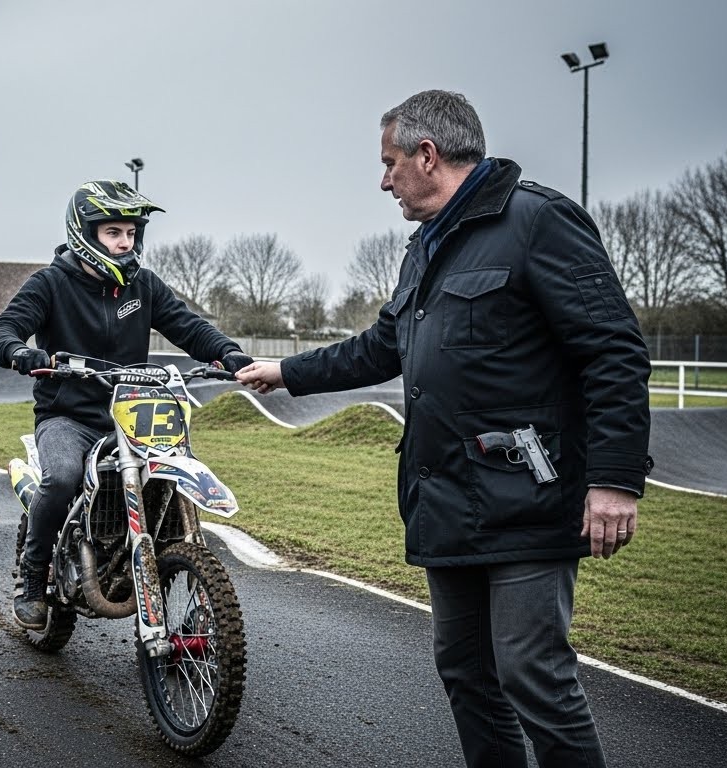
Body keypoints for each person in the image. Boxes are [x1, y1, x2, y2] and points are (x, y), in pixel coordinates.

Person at [235, 90, 652, 768]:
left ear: (426, 155)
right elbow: (378, 348)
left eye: (389, 163)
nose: (383, 180)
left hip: (527, 494)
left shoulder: (538, 221)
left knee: (531, 674)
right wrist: (286, 372)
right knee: (464, 673)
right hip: (446, 497)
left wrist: (612, 480)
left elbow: (612, 351)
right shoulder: (423, 247)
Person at [0, 179, 252, 630]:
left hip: (132, 416)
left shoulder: (143, 286)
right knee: (62, 477)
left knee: (166, 487)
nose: (125, 242)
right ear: (85, 234)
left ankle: (175, 590)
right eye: (113, 233)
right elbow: (1, 331)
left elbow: (189, 327)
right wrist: (19, 351)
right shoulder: (50, 284)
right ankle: (32, 579)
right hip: (68, 417)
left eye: (130, 233)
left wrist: (229, 353)